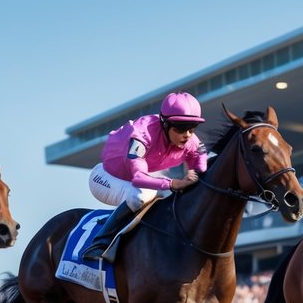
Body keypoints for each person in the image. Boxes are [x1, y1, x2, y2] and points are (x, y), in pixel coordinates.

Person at [81, 91, 208, 261]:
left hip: (133, 179)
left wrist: (198, 174)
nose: (187, 135)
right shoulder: (142, 134)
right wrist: (174, 183)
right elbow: (139, 178)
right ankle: (100, 243)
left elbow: (202, 165)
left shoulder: (190, 140)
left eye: (192, 128)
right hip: (105, 178)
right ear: (164, 123)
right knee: (142, 195)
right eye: (180, 128)